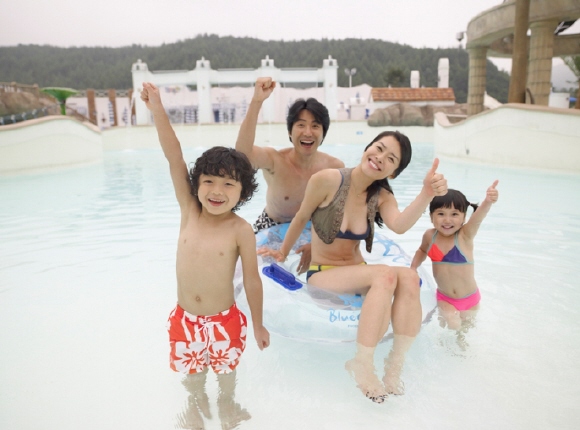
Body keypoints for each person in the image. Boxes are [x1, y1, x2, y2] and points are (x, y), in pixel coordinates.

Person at [259, 131, 448, 402]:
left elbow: (399, 225)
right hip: (324, 273)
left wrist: (426, 193)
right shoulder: (327, 180)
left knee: (408, 276)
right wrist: (281, 252)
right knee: (384, 275)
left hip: (357, 271)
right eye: (379, 148)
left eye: (391, 158)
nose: (380, 158)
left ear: (393, 172)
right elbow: (301, 218)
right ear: (368, 147)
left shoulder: (381, 196)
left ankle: (395, 363)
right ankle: (361, 362)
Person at [140, 82, 270, 429]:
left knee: (226, 374)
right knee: (193, 377)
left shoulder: (240, 229)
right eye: (209, 181)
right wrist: (157, 108)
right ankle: (196, 404)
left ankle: (227, 403)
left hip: (225, 321)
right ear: (196, 184)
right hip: (186, 320)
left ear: (242, 193)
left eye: (229, 184)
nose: (217, 191)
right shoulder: (190, 211)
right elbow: (174, 156)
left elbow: (252, 280)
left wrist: (258, 324)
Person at [236, 77, 344, 273]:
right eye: (301, 125)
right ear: (289, 132)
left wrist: (317, 244)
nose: (308, 132)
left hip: (314, 228)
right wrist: (257, 101)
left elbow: (338, 215)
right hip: (271, 226)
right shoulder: (275, 161)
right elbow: (242, 155)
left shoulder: (334, 168)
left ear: (323, 134)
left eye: (315, 126)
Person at [410, 182, 499, 333]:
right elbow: (422, 250)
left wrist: (488, 201)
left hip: (470, 299)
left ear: (464, 217)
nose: (447, 220)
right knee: (452, 325)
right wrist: (413, 268)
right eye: (441, 214)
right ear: (431, 216)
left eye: (454, 214)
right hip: (445, 298)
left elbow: (478, 218)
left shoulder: (465, 236)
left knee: (463, 332)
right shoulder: (430, 236)